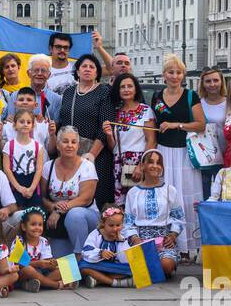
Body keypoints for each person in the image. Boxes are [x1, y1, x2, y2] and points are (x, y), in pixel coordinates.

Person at [151, 54, 204, 259]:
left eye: (178, 72)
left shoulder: (191, 96)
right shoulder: (156, 96)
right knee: (166, 198)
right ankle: (165, 245)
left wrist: (177, 125)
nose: (174, 76)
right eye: (170, 72)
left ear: (183, 75)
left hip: (184, 153)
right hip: (163, 152)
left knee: (185, 196)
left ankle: (187, 246)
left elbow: (200, 124)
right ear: (164, 74)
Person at [56, 53, 115, 204]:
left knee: (94, 197)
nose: (87, 69)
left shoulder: (104, 91)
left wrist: (91, 156)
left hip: (95, 154)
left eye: (92, 67)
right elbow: (62, 121)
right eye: (84, 66)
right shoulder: (69, 92)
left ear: (97, 72)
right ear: (77, 71)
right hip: (70, 152)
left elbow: (105, 125)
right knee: (70, 195)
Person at [121, 149, 182, 280]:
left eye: (159, 163)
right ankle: (149, 271)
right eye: (151, 162)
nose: (155, 166)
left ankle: (149, 270)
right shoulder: (133, 192)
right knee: (124, 259)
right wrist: (135, 239)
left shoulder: (170, 190)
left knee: (166, 265)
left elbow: (179, 218)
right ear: (142, 166)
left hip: (163, 240)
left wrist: (172, 235)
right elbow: (128, 222)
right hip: (139, 239)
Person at [40, 127, 100, 255]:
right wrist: (52, 206)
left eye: (73, 142)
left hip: (85, 217)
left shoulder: (87, 166)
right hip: (58, 223)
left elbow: (85, 199)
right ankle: (73, 268)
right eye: (65, 141)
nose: (69, 145)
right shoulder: (48, 166)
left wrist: (59, 210)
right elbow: (42, 197)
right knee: (58, 264)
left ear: (78, 146)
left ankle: (83, 257)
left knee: (75, 214)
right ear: (57, 145)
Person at [104, 72, 155, 203]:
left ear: (135, 89)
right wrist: (109, 135)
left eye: (129, 86)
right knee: (122, 204)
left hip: (139, 162)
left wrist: (141, 166)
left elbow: (151, 141)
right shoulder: (115, 112)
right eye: (122, 87)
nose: (126, 89)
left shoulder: (145, 110)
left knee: (140, 201)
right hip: (119, 163)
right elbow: (112, 147)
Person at [12, 208, 69, 290]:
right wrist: (37, 263)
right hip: (24, 273)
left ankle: (34, 284)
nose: (37, 228)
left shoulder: (43, 241)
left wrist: (52, 263)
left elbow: (47, 260)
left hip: (42, 272)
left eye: (40, 224)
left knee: (68, 265)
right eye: (33, 224)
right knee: (28, 269)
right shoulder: (19, 241)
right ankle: (55, 285)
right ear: (23, 226)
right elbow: (18, 264)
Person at [80, 207, 135, 288]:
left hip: (113, 267)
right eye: (111, 225)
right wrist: (100, 253)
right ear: (103, 223)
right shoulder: (96, 234)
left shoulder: (121, 238)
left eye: (118, 225)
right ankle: (115, 283)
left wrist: (120, 241)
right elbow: (86, 250)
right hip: (97, 265)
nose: (115, 229)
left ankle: (98, 280)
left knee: (132, 268)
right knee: (83, 266)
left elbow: (125, 260)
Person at [196, 68, 228, 199]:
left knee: (224, 191)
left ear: (221, 82)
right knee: (205, 191)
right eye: (208, 81)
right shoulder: (198, 103)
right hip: (205, 156)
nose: (212, 84)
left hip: (226, 153)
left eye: (216, 80)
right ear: (202, 84)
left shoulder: (229, 102)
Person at [25, 54, 62, 119]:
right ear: (29, 73)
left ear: (49, 74)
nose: (39, 73)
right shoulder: (15, 96)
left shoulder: (57, 99)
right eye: (36, 70)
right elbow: (9, 122)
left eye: (43, 70)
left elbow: (57, 125)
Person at [45, 32, 77, 96]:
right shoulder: (43, 71)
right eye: (58, 47)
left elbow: (101, 71)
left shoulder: (78, 67)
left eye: (66, 47)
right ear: (50, 49)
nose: (62, 50)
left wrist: (99, 48)